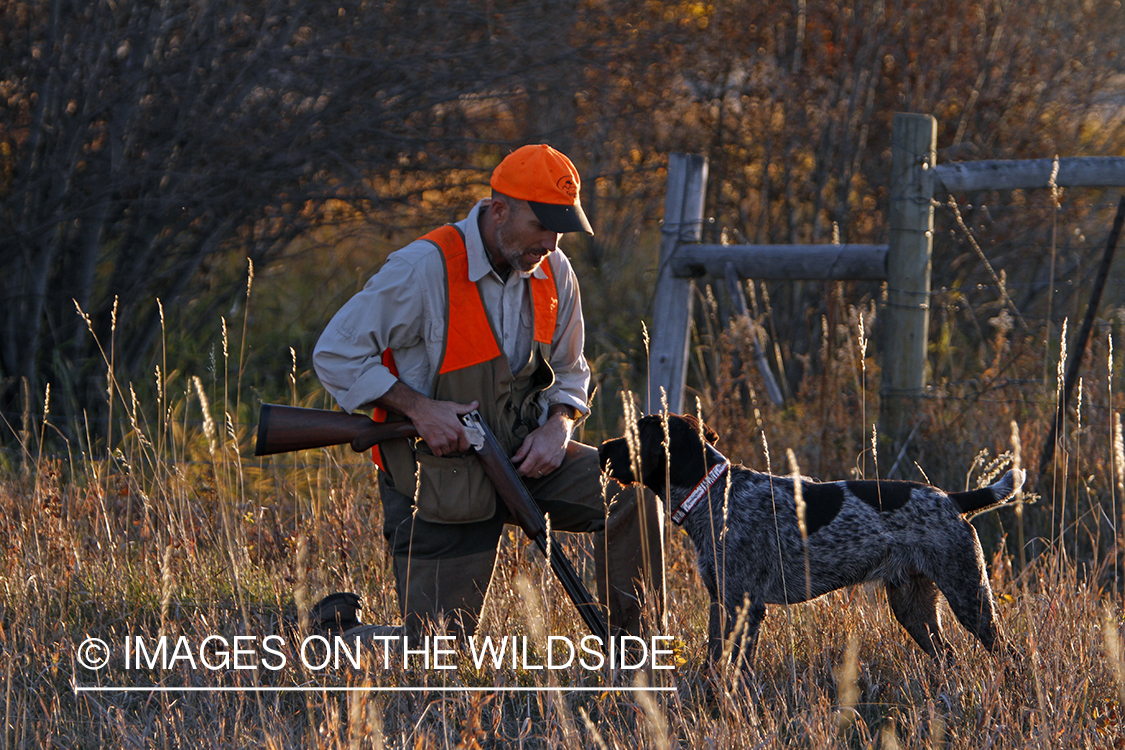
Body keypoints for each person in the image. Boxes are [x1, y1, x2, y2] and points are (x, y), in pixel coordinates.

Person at [313, 144, 663, 639]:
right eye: (541, 224)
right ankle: (338, 636)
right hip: (439, 477)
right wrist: (420, 410)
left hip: (525, 459)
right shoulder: (423, 268)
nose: (552, 242)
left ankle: (637, 659)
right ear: (499, 211)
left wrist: (559, 426)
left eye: (561, 227)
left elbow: (570, 369)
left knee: (635, 495)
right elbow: (335, 353)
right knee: (437, 652)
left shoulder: (554, 270)